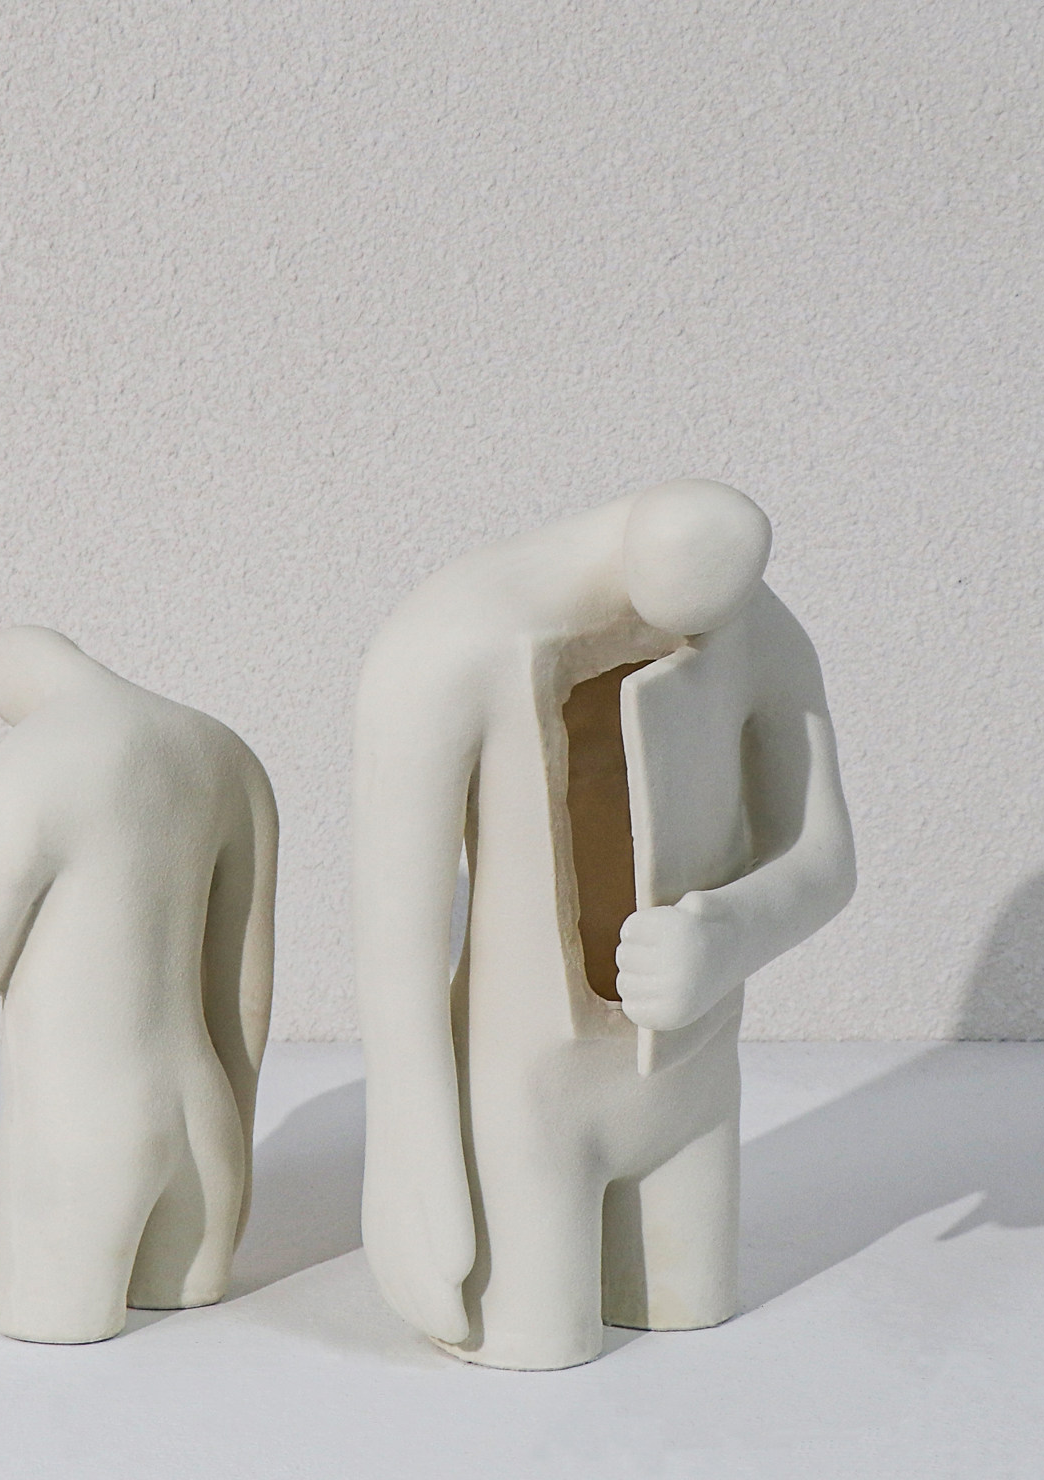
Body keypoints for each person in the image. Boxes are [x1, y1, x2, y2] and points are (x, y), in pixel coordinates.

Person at [354, 481, 854, 1369]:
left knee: (689, 1305)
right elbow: (396, 934)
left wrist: (729, 935)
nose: (699, 641)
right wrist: (410, 1153)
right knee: (533, 1340)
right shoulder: (454, 635)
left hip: (693, 1080)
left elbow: (823, 856)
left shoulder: (751, 621)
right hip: (527, 1104)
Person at [0, 626, 277, 1343]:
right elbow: (245, 995)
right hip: (205, 1123)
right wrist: (236, 1160)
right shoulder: (224, 753)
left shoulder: (33, 760)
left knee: (53, 1333)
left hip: (80, 1130)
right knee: (197, 1363)